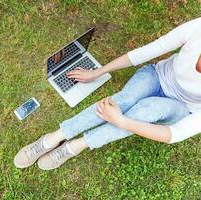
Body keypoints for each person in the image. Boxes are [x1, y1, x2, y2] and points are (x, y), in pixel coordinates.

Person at [14, 17, 201, 170]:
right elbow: (147, 52)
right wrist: (98, 72)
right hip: (158, 75)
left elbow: (175, 133)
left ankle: (76, 146)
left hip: (182, 106)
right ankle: (54, 138)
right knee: (124, 99)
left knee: (146, 110)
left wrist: (121, 121)